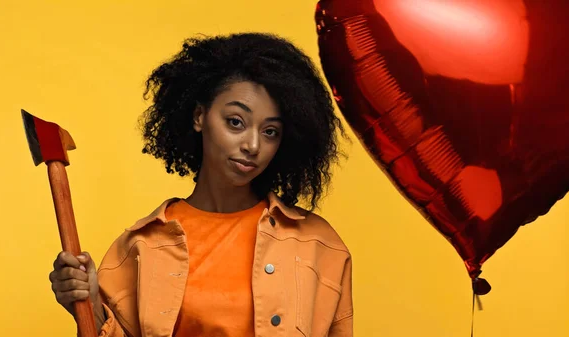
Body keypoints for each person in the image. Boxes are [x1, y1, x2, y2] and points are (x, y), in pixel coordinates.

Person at [48, 32, 353, 337]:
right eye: (236, 121)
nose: (253, 144)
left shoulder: (318, 244)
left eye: (271, 131)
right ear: (199, 116)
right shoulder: (141, 246)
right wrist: (90, 304)